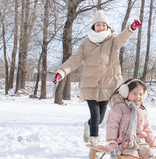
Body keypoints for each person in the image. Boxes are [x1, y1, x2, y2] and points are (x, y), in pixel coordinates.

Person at [53, 10, 142, 147]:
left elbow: (122, 39)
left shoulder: (112, 40)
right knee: (95, 116)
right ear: (93, 26)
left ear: (107, 26)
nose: (101, 27)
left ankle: (88, 125)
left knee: (99, 119)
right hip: (90, 85)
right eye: (98, 25)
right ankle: (94, 146)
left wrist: (131, 28)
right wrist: (62, 72)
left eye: (103, 25)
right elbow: (75, 59)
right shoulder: (86, 43)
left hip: (108, 86)